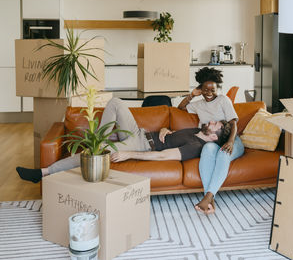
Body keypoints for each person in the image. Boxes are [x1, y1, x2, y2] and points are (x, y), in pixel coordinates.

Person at [16, 97, 231, 184]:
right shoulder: (195, 130)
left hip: (140, 145)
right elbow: (171, 131)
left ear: (214, 137)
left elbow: (164, 155)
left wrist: (129, 154)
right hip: (139, 132)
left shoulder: (196, 147)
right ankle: (99, 138)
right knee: (116, 102)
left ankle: (43, 173)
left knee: (93, 154)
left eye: (216, 125)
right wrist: (165, 127)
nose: (211, 121)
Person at [177, 67, 244, 215]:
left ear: (217, 88)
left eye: (212, 90)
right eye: (205, 90)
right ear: (201, 88)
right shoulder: (198, 104)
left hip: (232, 140)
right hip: (213, 141)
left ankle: (207, 197)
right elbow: (180, 107)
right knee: (207, 149)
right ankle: (210, 199)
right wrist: (192, 95)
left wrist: (231, 142)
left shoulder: (223, 100)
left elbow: (233, 123)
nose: (209, 93)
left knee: (223, 153)